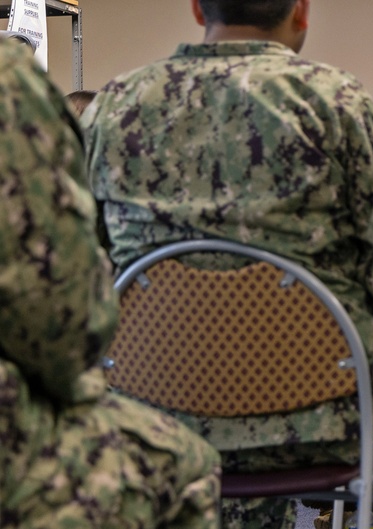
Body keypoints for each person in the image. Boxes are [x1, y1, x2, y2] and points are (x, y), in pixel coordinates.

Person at [81, 1, 373, 528]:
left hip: (150, 411)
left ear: (196, 7)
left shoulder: (112, 108)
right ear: (300, 11)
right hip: (324, 411)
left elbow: (78, 279)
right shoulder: (338, 104)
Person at [0, 40, 222, 529]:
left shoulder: (114, 106)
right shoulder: (8, 82)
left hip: (151, 378)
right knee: (183, 463)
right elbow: (59, 324)